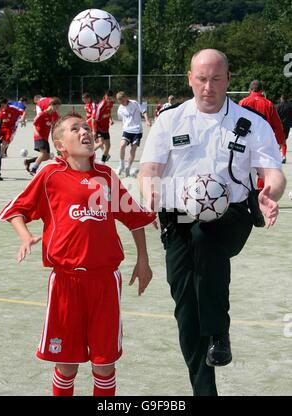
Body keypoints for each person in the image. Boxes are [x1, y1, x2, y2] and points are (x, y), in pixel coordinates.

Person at [138, 49, 286, 396]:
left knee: (207, 238)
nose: (208, 87)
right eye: (202, 79)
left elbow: (273, 173)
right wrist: (150, 190)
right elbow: (150, 169)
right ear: (190, 79)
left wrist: (270, 194)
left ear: (228, 81)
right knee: (186, 308)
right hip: (178, 222)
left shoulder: (251, 124)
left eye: (216, 79)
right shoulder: (169, 121)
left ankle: (219, 331)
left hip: (232, 218)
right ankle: (204, 389)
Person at [0, 112, 156, 396]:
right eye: (75, 128)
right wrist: (25, 237)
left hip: (105, 282)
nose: (85, 131)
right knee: (67, 364)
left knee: (104, 365)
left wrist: (143, 260)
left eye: (86, 127)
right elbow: (15, 210)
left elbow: (134, 218)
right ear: (60, 145)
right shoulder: (49, 175)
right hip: (66, 283)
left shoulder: (106, 176)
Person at [239, 80, 285, 176]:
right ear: (262, 91)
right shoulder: (269, 104)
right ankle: (261, 189)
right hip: (263, 141)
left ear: (249, 90)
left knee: (245, 169)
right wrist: (280, 141)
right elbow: (277, 125)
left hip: (246, 140)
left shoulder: (243, 102)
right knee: (263, 169)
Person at [116, 91, 152, 177]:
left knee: (133, 149)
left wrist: (147, 120)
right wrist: (124, 127)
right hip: (127, 130)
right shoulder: (120, 108)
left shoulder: (134, 103)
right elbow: (122, 119)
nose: (122, 104)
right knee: (122, 145)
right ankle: (121, 165)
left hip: (137, 131)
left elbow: (144, 111)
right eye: (120, 102)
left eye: (123, 101)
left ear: (125, 98)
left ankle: (128, 167)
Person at [24, 98, 61, 175]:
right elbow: (34, 123)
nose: (57, 109)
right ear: (51, 105)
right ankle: (33, 169)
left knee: (47, 156)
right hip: (39, 136)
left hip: (45, 137)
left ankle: (28, 161)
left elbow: (59, 121)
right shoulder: (42, 114)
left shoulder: (54, 114)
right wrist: (37, 132)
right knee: (43, 154)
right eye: (56, 107)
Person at [92, 89, 115, 163]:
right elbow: (93, 119)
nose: (108, 100)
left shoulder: (111, 103)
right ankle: (87, 154)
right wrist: (94, 131)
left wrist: (111, 119)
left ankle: (102, 162)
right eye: (107, 98)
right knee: (100, 143)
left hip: (106, 128)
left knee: (108, 146)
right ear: (105, 96)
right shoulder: (101, 105)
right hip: (99, 127)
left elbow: (109, 112)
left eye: (110, 98)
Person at [276, 95, 292, 163]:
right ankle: (283, 156)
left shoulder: (278, 106)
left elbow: (276, 116)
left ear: (281, 99)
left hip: (280, 125)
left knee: (279, 140)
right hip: (287, 125)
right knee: (284, 140)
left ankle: (277, 155)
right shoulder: (290, 106)